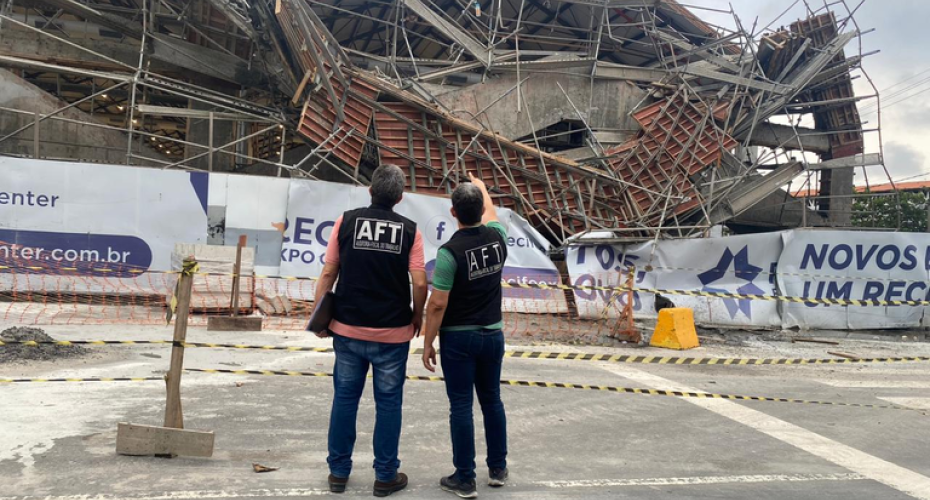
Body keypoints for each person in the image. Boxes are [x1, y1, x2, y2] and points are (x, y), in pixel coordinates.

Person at [313, 164, 428, 497]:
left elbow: (328, 273)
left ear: (370, 191)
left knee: (345, 400)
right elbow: (420, 282)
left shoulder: (346, 221)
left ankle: (338, 474)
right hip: (392, 333)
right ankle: (385, 476)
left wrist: (320, 317)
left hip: (348, 330)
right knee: (389, 404)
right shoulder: (410, 231)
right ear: (400, 197)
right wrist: (416, 316)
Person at [422, 173, 509, 499]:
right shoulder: (498, 236)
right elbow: (492, 213)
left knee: (461, 406)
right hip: (493, 334)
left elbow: (438, 303)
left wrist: (428, 342)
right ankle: (498, 468)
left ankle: (465, 477)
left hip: (459, 339)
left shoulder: (449, 253)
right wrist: (483, 188)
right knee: (492, 401)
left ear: (453, 212)